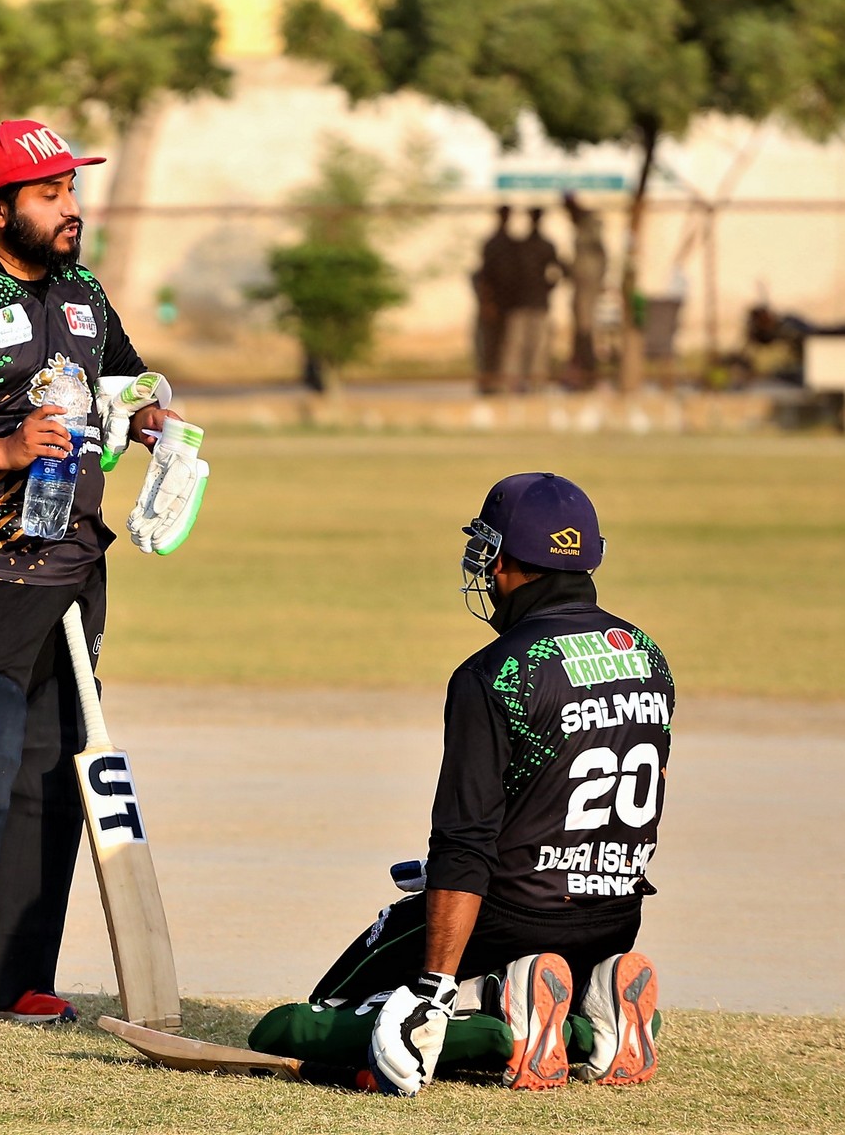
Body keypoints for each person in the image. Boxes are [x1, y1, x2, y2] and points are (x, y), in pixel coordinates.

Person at [0, 119, 184, 1033]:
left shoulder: (82, 291)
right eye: (49, 194)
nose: (70, 208)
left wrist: (152, 417)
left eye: (71, 190)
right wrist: (3, 449)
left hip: (76, 560)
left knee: (52, 774)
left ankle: (15, 976)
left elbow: (127, 377)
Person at [363, 472, 672, 1096]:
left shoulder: (494, 671)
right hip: (615, 920)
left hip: (512, 919)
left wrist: (433, 987)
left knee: (333, 1010)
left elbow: (465, 839)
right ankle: (599, 999)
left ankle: (501, 996)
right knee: (558, 963)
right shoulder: (647, 654)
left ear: (503, 559)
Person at [503, 208, 563, 392]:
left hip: (536, 302)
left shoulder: (545, 246)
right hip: (521, 302)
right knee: (518, 346)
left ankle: (535, 385)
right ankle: (514, 385)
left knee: (536, 347)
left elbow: (558, 271)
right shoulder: (521, 246)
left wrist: (547, 287)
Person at [562, 192, 607, 388]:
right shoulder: (583, 228)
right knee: (581, 329)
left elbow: (597, 257)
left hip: (588, 284)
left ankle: (588, 373)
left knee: (585, 329)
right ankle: (581, 372)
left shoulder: (590, 227)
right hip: (581, 284)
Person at [472, 205, 516, 394]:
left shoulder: (510, 243)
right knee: (489, 346)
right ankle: (487, 383)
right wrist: (487, 303)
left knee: (502, 346)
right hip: (493, 304)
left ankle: (497, 382)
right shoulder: (494, 243)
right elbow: (485, 276)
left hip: (506, 303)